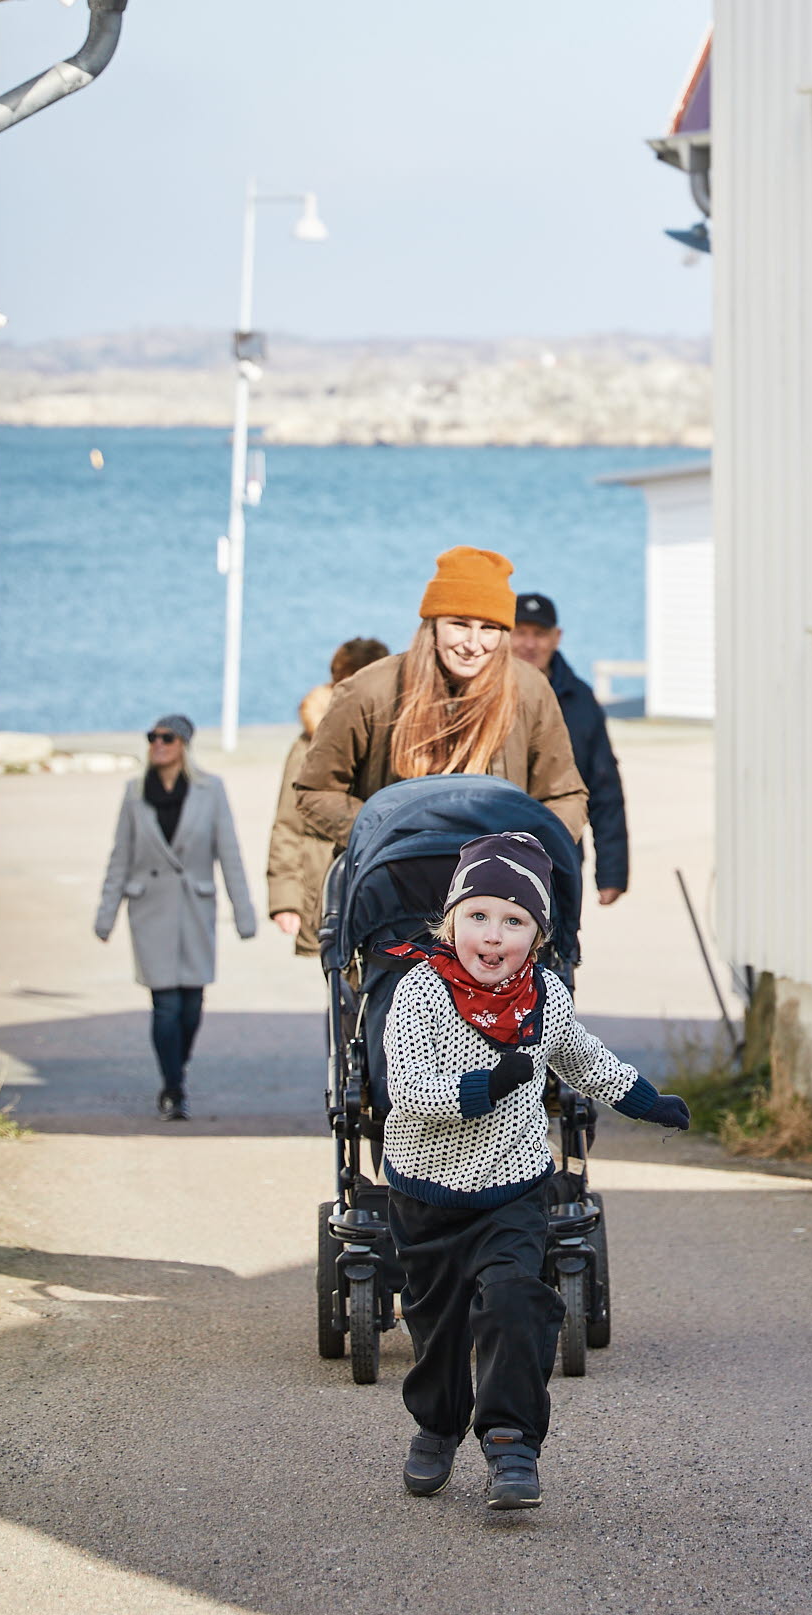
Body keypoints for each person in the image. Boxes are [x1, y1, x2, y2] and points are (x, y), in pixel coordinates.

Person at [382, 833, 690, 1508]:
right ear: (452, 921)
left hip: (513, 1187)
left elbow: (580, 1055)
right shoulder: (420, 993)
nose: (493, 937)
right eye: (479, 917)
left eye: (514, 922)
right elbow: (408, 1088)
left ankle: (511, 1444)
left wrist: (643, 1099)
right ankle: (437, 1426)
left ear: (539, 935)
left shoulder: (545, 994)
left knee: (516, 1300)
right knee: (437, 1334)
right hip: (425, 1193)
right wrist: (487, 1085)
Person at [295, 547, 587, 848]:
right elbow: (315, 791)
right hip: (392, 877)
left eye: (488, 628)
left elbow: (563, 795)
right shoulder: (369, 690)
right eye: (460, 624)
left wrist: (532, 851)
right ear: (433, 625)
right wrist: (385, 832)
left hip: (496, 879)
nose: (473, 644)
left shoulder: (530, 689)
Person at [93, 714, 258, 1120]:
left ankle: (175, 1066)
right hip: (150, 908)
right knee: (165, 1003)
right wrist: (106, 914)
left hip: (194, 906)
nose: (158, 745)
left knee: (191, 1003)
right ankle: (172, 1088)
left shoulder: (210, 789)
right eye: (152, 738)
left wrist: (244, 913)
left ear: (183, 744)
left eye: (166, 739)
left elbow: (230, 853)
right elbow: (120, 856)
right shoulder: (135, 793)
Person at [266, 636, 391, 955]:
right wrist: (286, 899)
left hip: (383, 886)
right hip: (325, 885)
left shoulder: (400, 737)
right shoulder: (310, 744)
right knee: (338, 988)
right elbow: (288, 823)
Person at [510, 592, 628, 905]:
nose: (529, 644)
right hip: (493, 851)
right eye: (520, 632)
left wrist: (612, 872)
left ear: (556, 637)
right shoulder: (485, 694)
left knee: (559, 949)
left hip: (560, 854)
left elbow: (605, 788)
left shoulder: (580, 699)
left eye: (539, 634)